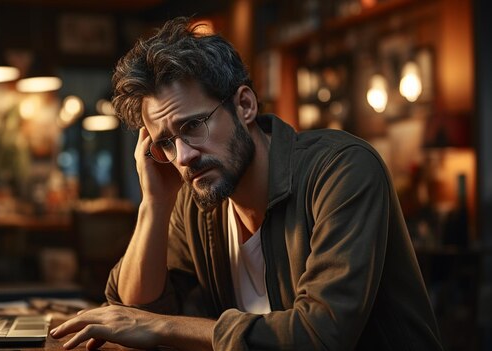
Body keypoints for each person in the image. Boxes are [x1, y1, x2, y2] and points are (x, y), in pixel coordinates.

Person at [50, 17, 443, 350]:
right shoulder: (198, 196)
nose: (183, 156)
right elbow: (131, 311)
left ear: (245, 105)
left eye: (193, 126)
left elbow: (322, 333)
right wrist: (154, 203)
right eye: (165, 142)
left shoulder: (342, 169)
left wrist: (163, 327)